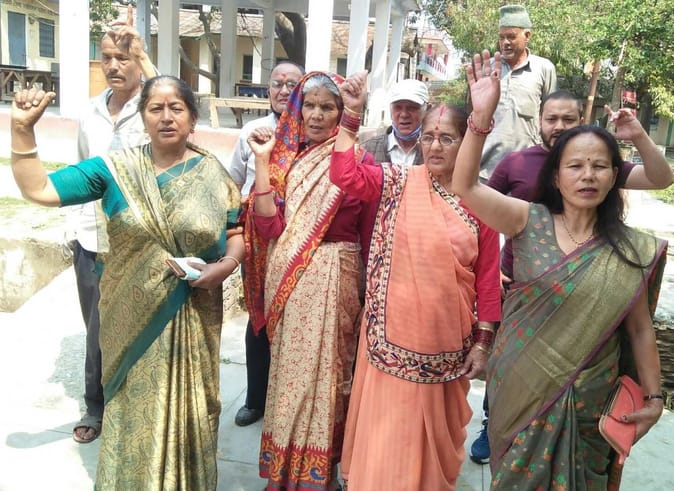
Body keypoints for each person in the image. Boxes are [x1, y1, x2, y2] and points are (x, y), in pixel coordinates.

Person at [10, 75, 244, 489]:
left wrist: (225, 266)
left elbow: (236, 232)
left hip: (193, 317)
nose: (166, 116)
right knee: (135, 408)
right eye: (156, 108)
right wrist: (22, 130)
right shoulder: (114, 170)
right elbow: (40, 189)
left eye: (177, 108)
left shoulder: (213, 173)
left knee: (189, 408)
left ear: (192, 119)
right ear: (143, 118)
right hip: (131, 320)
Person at [454, 50, 667, 490]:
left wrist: (655, 395)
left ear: (614, 176)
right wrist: (481, 118)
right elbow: (466, 186)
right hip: (520, 388)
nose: (587, 175)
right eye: (575, 166)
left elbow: (640, 329)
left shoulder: (629, 247)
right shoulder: (526, 220)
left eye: (599, 166)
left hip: (590, 400)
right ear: (556, 177)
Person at [331, 72, 502, 490]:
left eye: (447, 138)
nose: (435, 146)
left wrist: (483, 343)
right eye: (428, 137)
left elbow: (487, 280)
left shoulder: (481, 201)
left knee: (432, 445)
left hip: (447, 346)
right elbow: (344, 175)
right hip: (388, 344)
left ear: (466, 142)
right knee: (389, 435)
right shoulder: (396, 181)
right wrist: (350, 114)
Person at [243, 71, 376, 491]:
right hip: (291, 281)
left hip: (339, 279)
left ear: (341, 113)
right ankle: (282, 474)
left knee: (331, 378)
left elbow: (371, 235)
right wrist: (262, 161)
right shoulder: (287, 161)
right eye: (310, 106)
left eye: (327, 107)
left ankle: (322, 475)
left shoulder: (362, 163)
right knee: (289, 379)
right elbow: (269, 227)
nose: (316, 115)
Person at [69, 17, 156, 445]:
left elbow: (176, 97)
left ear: (138, 60)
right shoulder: (90, 111)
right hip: (92, 236)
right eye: (106, 57)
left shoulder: (154, 106)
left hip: (139, 238)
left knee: (142, 322)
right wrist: (73, 229)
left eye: (123, 57)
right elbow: (80, 168)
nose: (113, 65)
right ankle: (96, 405)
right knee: (97, 326)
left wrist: (143, 54)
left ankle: (138, 403)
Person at [227, 60, 304, 427]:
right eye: (277, 83)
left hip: (298, 240)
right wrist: (231, 232)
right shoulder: (252, 131)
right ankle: (256, 399)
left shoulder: (311, 131)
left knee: (295, 318)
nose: (283, 90)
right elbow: (232, 184)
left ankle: (288, 402)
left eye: (292, 84)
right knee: (257, 317)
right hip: (256, 242)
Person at [479, 4, 556, 181]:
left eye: (511, 37)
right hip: (485, 171)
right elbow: (476, 114)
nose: (505, 43)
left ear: (527, 36)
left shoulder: (544, 69)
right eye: (501, 37)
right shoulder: (489, 68)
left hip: (527, 170)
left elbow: (551, 115)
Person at [360, 78, 429, 166]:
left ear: (427, 110)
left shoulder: (434, 151)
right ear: (390, 109)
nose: (404, 114)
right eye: (398, 107)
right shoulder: (368, 149)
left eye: (412, 108)